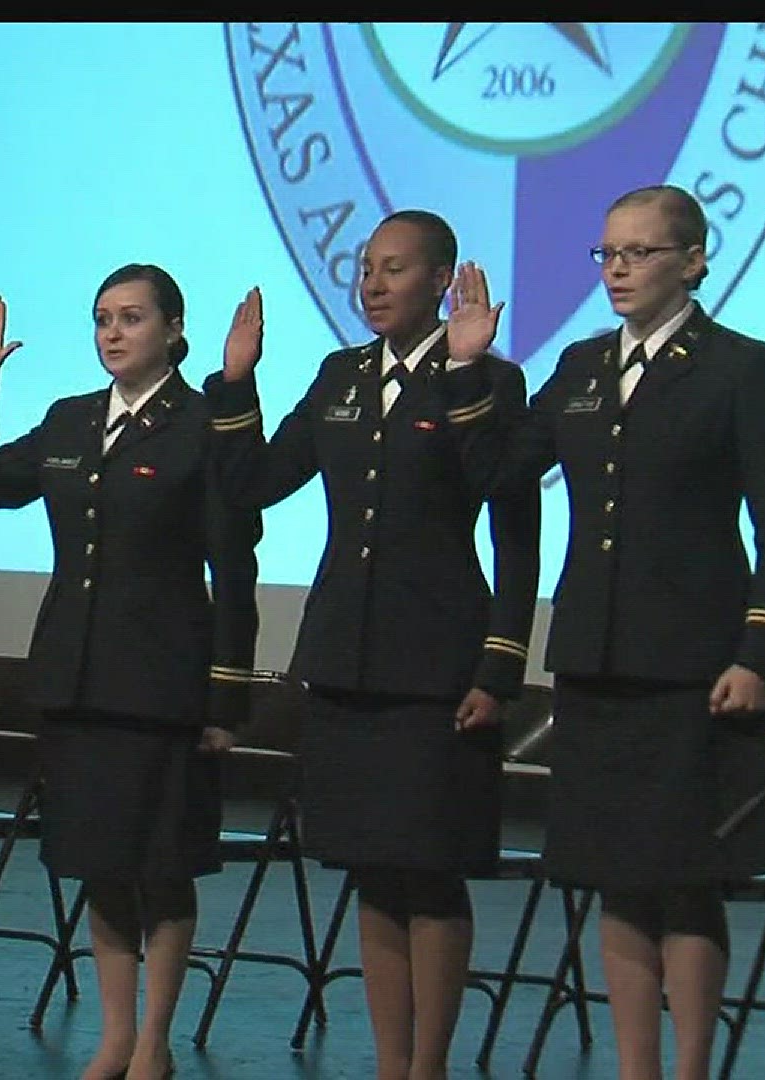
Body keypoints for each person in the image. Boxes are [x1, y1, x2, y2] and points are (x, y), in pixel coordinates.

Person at [451, 184, 765, 1080]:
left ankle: (690, 1069)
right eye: (607, 254)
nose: (616, 270)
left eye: (638, 253)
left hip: (692, 665)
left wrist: (758, 651)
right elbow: (499, 476)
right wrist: (468, 370)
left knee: (684, 880)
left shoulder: (738, 366)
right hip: (597, 660)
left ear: (692, 261)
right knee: (612, 874)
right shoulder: (579, 367)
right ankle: (635, 1067)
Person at [205, 211, 539, 1080]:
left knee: (430, 870)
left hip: (439, 663)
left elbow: (513, 525)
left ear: (441, 280)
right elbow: (253, 485)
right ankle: (392, 1063)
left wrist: (500, 663)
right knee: (371, 870)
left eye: (395, 269)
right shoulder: (340, 376)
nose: (374, 284)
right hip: (346, 658)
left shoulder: (491, 382)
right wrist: (238, 384)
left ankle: (429, 1065)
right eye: (366, 268)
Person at [0, 268, 261, 1080]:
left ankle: (154, 1041)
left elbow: (234, 567)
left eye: (130, 318)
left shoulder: (201, 425)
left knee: (161, 863)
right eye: (101, 320)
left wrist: (227, 693)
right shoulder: (71, 420)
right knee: (98, 862)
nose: (113, 334)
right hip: (76, 679)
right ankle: (115, 1035)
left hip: (162, 687)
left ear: (173, 329)